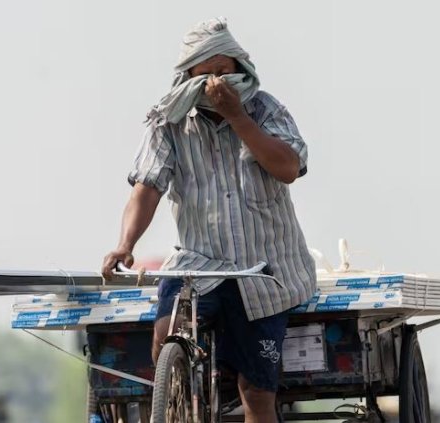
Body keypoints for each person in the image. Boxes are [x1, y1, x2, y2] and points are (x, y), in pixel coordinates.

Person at [101, 17, 316, 423]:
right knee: (167, 333)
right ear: (187, 78)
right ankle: (180, 393)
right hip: (198, 262)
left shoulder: (265, 109)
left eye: (224, 72)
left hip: (266, 272)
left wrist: (238, 117)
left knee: (256, 390)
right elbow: (146, 188)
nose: (216, 84)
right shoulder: (169, 121)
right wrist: (125, 245)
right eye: (205, 76)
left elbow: (288, 167)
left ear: (240, 69)